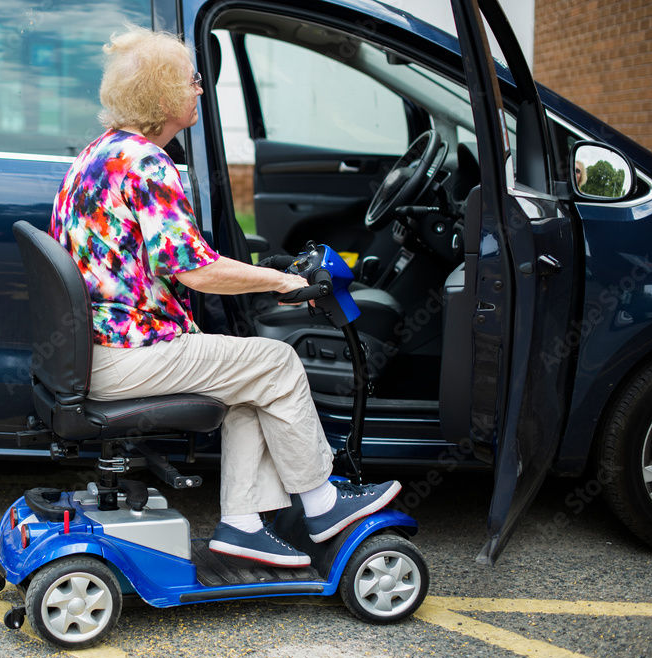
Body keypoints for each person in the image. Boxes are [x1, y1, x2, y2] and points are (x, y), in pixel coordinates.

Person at [49, 26, 400, 568]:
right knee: (278, 362)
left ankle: (241, 525)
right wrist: (281, 281)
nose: (199, 89)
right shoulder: (145, 162)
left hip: (96, 350)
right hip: (126, 355)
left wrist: (262, 272)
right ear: (165, 96)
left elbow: (170, 262)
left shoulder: (98, 154)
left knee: (246, 380)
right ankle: (323, 503)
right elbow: (196, 271)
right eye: (192, 80)